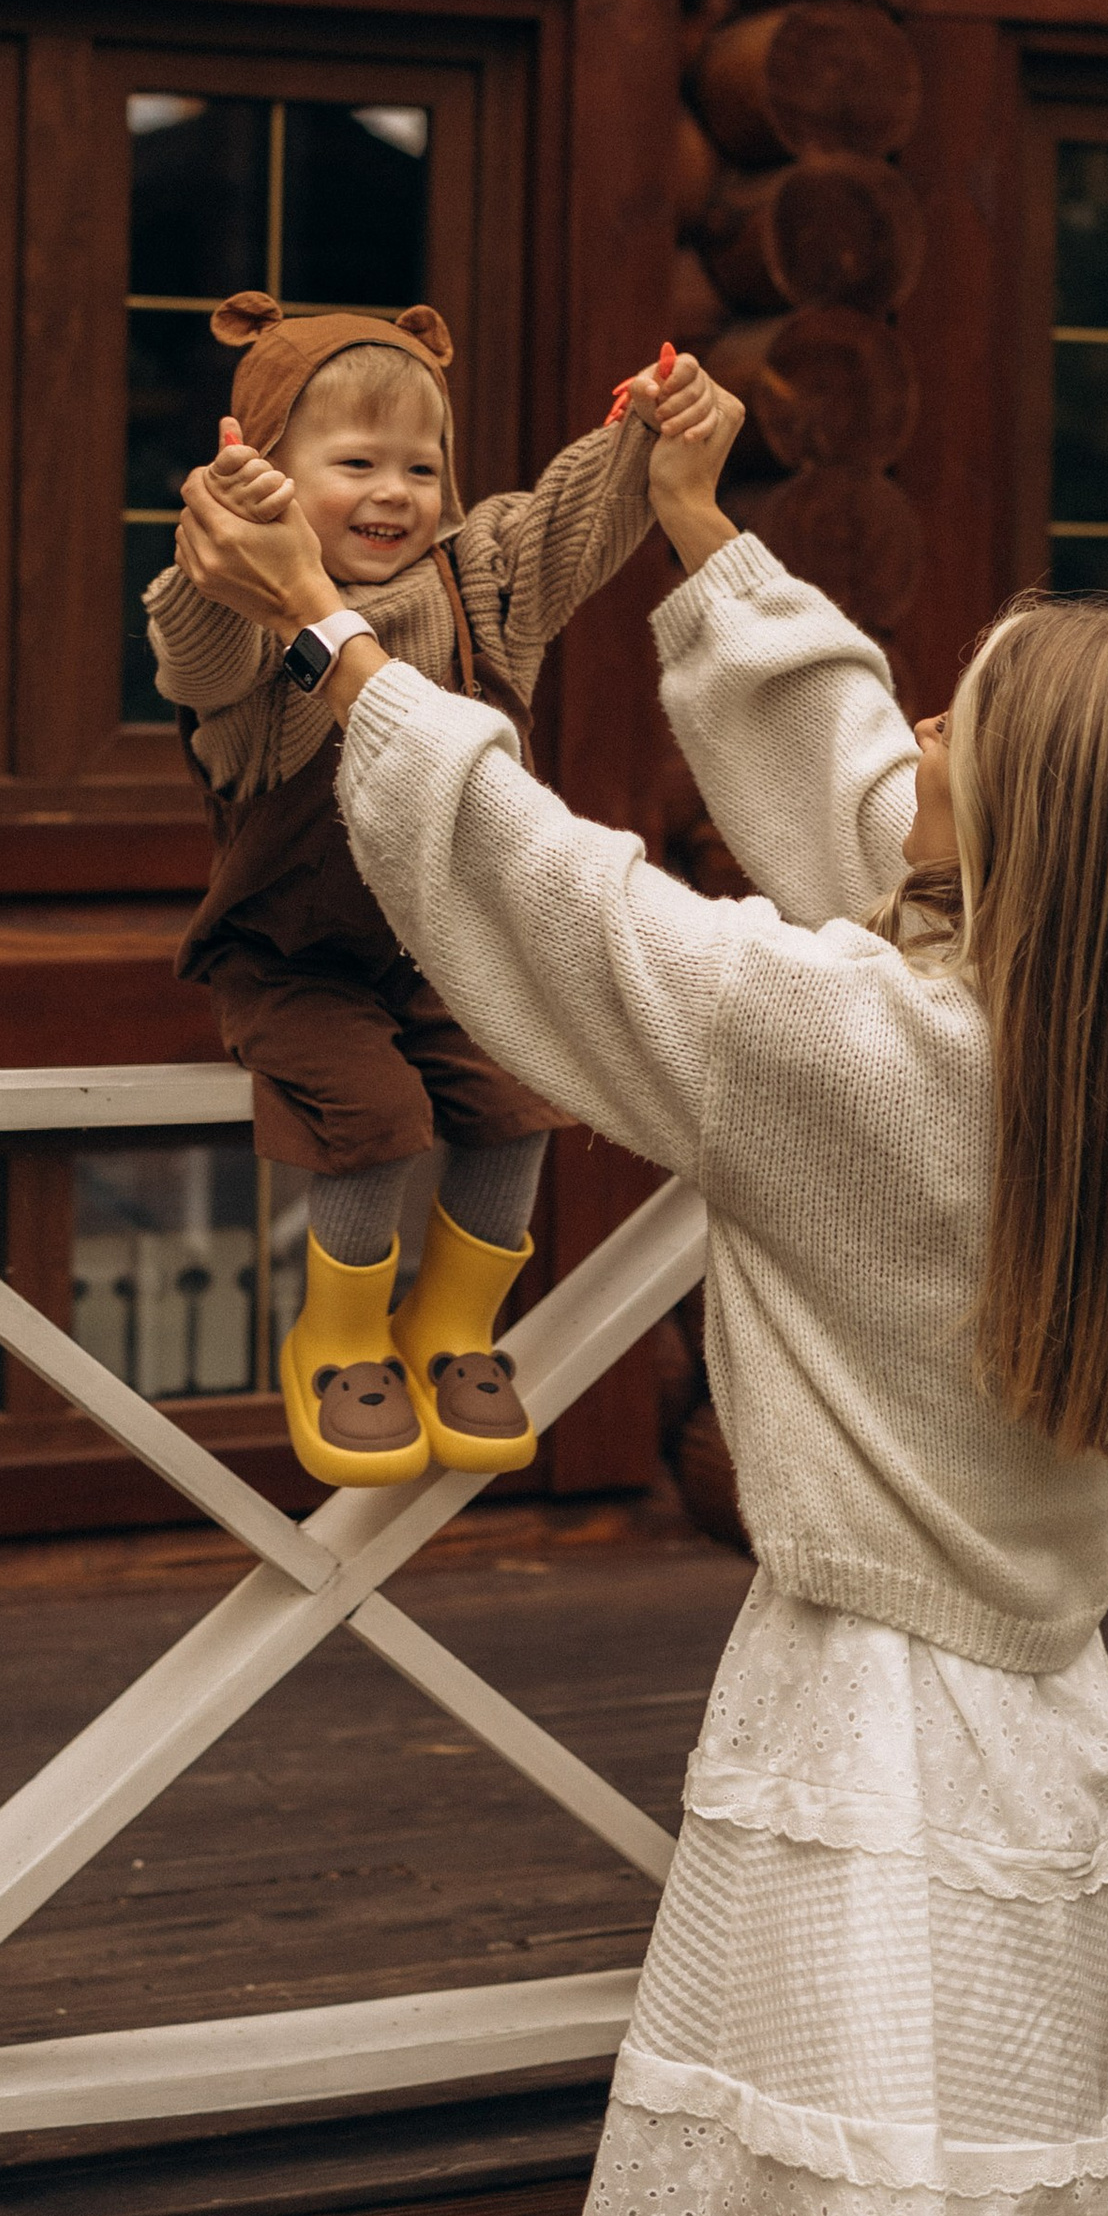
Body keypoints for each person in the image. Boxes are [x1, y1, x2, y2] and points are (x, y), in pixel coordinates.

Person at [174, 358, 1108, 2216]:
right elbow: (868, 833)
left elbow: (573, 915)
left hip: (891, 1754)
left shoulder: (873, 1057)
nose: (902, 730)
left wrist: (331, 637)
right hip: (988, 1730)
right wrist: (696, 544)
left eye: (949, 719)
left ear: (1026, 827)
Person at [148, 289, 725, 1489]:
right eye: (353, 461)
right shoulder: (254, 608)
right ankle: (342, 1342)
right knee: (373, 1118)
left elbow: (577, 515)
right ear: (267, 469)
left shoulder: (482, 581)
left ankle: (452, 1326)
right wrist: (228, 545)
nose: (393, 492)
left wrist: (644, 426)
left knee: (521, 1097)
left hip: (445, 942)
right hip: (291, 953)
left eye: (420, 465)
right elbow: (195, 660)